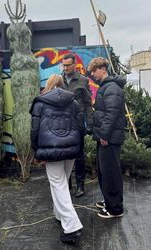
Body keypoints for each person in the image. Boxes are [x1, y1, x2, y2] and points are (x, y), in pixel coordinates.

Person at [30, 74, 84, 243]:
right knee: (63, 182)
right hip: (71, 148)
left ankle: (72, 226)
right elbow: (80, 126)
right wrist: (79, 147)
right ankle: (59, 213)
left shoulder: (40, 103)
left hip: (50, 150)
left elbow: (34, 129)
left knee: (58, 184)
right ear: (62, 85)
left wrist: (35, 148)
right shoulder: (73, 102)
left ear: (48, 85)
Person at [87, 57, 126, 219]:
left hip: (109, 139)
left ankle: (115, 209)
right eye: (92, 72)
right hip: (105, 137)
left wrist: (104, 135)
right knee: (104, 171)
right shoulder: (106, 87)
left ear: (104, 69)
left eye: (95, 71)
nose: (93, 74)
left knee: (111, 172)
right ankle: (109, 201)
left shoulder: (112, 88)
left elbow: (112, 114)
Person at [61, 53, 93, 197]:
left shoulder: (83, 80)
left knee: (79, 155)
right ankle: (67, 184)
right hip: (62, 125)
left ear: (74, 65)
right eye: (64, 65)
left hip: (78, 124)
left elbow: (87, 103)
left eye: (68, 65)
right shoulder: (59, 80)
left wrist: (89, 123)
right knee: (64, 155)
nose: (65, 68)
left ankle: (80, 185)